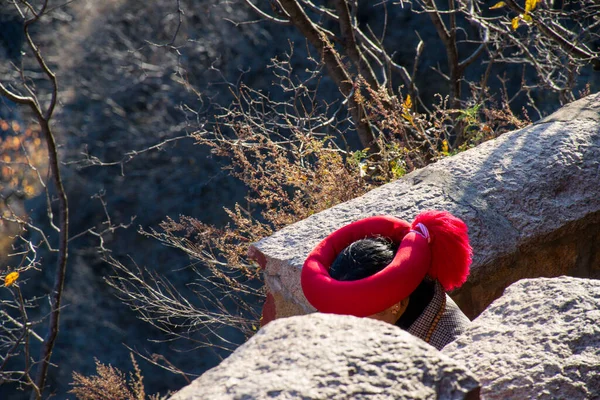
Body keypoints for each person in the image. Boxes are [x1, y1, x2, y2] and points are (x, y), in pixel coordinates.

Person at [301, 210, 472, 350]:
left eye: (354, 318)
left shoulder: (452, 351)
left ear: (394, 305)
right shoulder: (404, 307)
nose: (344, 327)